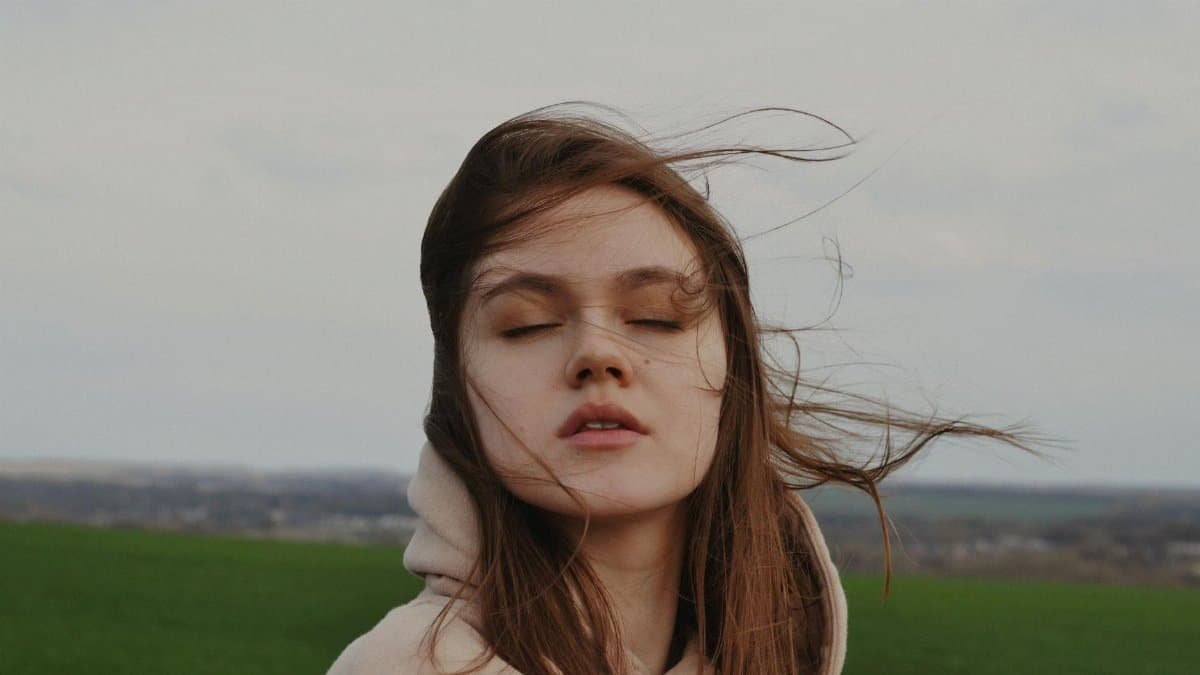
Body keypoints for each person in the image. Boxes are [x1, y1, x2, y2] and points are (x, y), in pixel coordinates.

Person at [327, 103, 1047, 674]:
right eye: (528, 323)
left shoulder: (780, 650)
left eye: (656, 318)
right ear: (458, 386)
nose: (597, 354)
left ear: (731, 372)